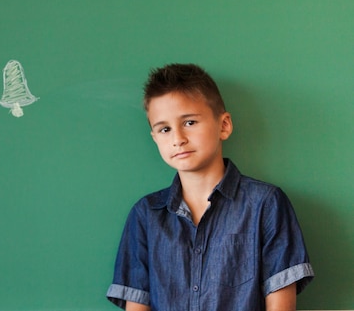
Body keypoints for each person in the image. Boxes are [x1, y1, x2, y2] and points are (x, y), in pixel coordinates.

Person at [106, 63, 314, 311]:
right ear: (155, 137)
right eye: (164, 129)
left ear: (224, 125)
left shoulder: (266, 203)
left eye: (190, 122)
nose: (178, 139)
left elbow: (280, 305)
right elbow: (137, 304)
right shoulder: (146, 214)